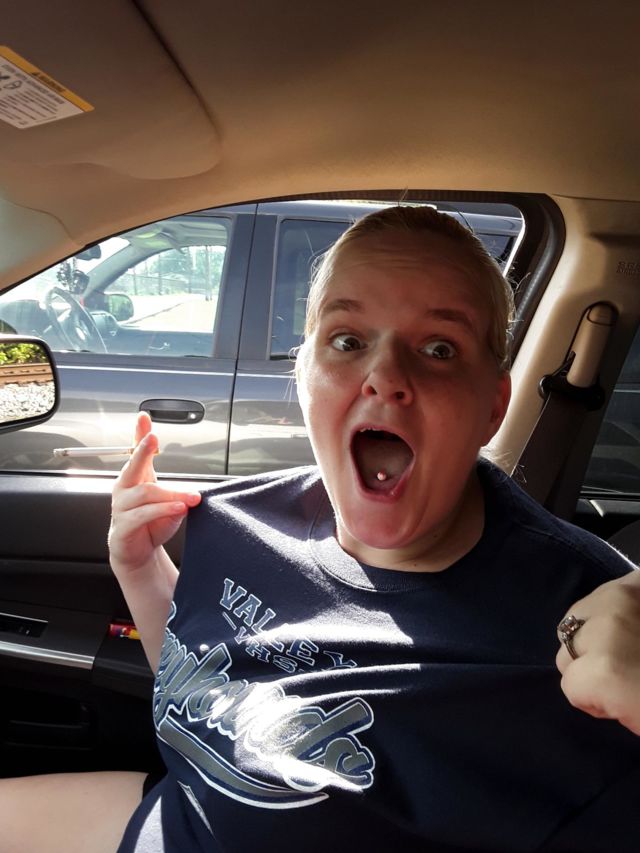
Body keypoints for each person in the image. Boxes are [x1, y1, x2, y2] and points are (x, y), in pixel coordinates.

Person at [1, 205, 639, 852]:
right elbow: (215, 699)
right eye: (348, 340)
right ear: (303, 372)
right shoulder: (238, 522)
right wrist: (140, 570)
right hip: (180, 813)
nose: (385, 377)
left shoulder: (588, 623)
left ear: (493, 405)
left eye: (439, 349)